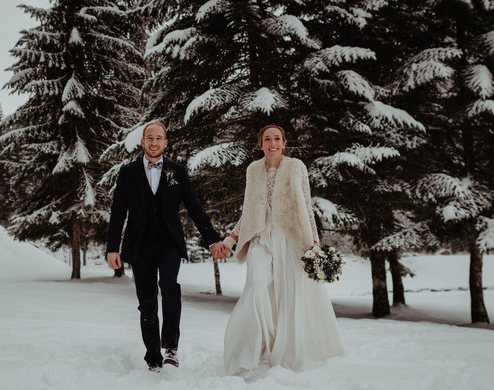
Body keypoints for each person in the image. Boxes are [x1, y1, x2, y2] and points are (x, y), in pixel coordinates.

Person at [220, 124, 344, 375]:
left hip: (289, 239)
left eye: (277, 138)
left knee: (290, 296)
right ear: (261, 144)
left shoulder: (296, 167)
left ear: (284, 143)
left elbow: (306, 206)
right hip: (261, 239)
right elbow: (249, 210)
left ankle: (287, 352)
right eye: (267, 139)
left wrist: (315, 245)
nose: (272, 143)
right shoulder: (253, 170)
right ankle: (246, 354)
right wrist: (230, 239)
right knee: (255, 289)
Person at [106, 121, 229, 372]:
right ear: (143, 142)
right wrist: (112, 248)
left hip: (168, 242)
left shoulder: (177, 171)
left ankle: (171, 346)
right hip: (139, 244)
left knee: (170, 285)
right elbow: (118, 211)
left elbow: (194, 207)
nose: (154, 143)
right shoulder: (128, 172)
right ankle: (153, 356)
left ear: (165, 142)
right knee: (147, 299)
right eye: (149, 138)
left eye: (158, 138)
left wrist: (213, 239)